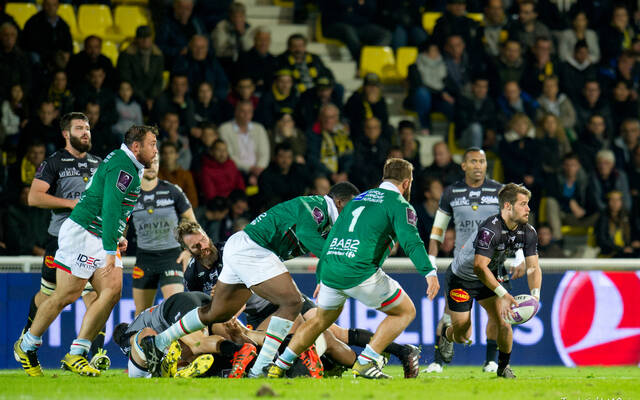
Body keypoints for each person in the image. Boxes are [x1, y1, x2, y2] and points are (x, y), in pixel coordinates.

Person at [140, 182, 361, 378]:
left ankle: (160, 342)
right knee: (293, 301)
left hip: (242, 247)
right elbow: (306, 234)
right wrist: (338, 261)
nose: (354, 214)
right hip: (255, 248)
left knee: (217, 313)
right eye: (352, 207)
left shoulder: (328, 221)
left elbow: (323, 245)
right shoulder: (318, 208)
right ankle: (260, 369)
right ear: (340, 203)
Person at [179, 220, 421, 378]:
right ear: (188, 251)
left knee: (332, 332)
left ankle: (400, 351)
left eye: (201, 239)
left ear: (206, 235)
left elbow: (245, 290)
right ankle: (359, 365)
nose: (202, 246)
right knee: (321, 337)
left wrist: (229, 308)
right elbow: (197, 305)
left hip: (280, 299)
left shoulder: (230, 251)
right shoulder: (192, 274)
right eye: (194, 246)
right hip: (261, 314)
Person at [268, 158, 438, 380]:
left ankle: (278, 365)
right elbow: (411, 241)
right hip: (358, 272)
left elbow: (333, 237)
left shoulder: (358, 199)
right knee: (406, 311)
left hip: (331, 269)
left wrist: (321, 276)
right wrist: (429, 272)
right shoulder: (399, 204)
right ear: (407, 183)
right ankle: (366, 361)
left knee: (320, 320)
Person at [15, 125, 158, 377]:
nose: (155, 150)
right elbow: (112, 206)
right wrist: (111, 247)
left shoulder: (124, 162)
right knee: (66, 295)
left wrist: (114, 237)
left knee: (112, 291)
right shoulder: (124, 168)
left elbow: (112, 207)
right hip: (83, 232)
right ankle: (27, 345)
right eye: (152, 144)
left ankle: (77, 353)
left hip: (98, 234)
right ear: (136, 147)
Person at [19, 112, 107, 370]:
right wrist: (71, 204)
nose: (85, 132)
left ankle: (90, 353)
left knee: (99, 295)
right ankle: (27, 339)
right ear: (66, 134)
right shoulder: (54, 162)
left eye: (88, 128)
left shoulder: (99, 163)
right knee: (49, 295)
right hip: (61, 240)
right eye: (79, 128)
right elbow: (34, 198)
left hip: (93, 239)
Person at [436, 183, 542, 378]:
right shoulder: (490, 229)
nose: (528, 209)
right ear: (508, 206)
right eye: (523, 204)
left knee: (504, 321)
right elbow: (479, 267)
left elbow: (533, 267)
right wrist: (503, 293)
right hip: (463, 279)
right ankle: (447, 335)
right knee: (463, 332)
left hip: (492, 274)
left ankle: (503, 367)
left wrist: (535, 296)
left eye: (528, 204)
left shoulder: (528, 232)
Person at [425, 148, 509, 374]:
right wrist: (431, 264)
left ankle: (491, 361)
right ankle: (437, 361)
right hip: (463, 267)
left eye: (482, 161)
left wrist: (519, 255)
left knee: (497, 314)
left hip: (493, 264)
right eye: (473, 161)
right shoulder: (452, 192)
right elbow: (437, 232)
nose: (478, 165)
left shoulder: (499, 191)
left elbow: (514, 222)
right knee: (450, 317)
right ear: (463, 166)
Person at [113, 290, 257, 378]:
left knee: (196, 344)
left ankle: (238, 351)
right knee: (235, 332)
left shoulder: (126, 335)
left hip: (174, 308)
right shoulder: (141, 320)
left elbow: (144, 339)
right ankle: (259, 358)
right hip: (195, 298)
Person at [130, 156, 196, 316]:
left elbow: (192, 222)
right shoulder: (130, 195)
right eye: (147, 163)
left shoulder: (172, 190)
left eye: (156, 162)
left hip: (171, 258)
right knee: (141, 314)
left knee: (176, 309)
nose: (152, 166)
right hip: (144, 258)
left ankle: (174, 341)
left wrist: (189, 250)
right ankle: (141, 341)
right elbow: (120, 227)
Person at [117, 26, 165, 112]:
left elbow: (158, 80)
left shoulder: (158, 55)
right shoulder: (127, 54)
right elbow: (126, 78)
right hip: (133, 95)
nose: (145, 40)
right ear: (137, 39)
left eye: (147, 37)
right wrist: (143, 98)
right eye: (142, 37)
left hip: (152, 96)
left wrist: (151, 97)